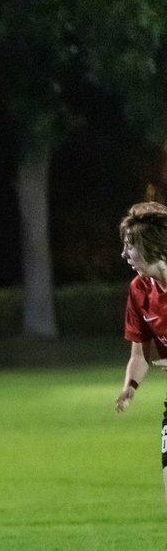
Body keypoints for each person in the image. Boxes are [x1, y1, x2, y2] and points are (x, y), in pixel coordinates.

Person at [114, 201, 167, 503]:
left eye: (130, 246)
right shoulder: (139, 290)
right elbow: (139, 355)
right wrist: (129, 387)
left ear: (152, 246)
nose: (125, 255)